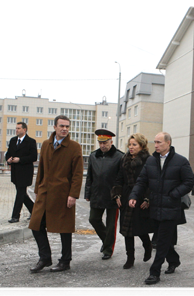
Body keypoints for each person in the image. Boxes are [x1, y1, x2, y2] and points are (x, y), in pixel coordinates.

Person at [129, 132, 194, 285]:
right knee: (163, 240)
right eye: (155, 142)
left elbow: (189, 181)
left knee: (161, 241)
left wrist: (174, 194)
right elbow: (141, 181)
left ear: (168, 143)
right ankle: (174, 260)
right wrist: (133, 196)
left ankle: (154, 272)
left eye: (159, 142)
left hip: (171, 208)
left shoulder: (180, 161)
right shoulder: (151, 161)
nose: (156, 145)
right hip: (155, 207)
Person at [28, 115, 83, 273]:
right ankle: (45, 257)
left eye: (67, 126)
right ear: (55, 127)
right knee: (36, 224)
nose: (64, 129)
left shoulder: (74, 147)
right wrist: (38, 190)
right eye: (61, 126)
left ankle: (65, 261)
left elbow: (78, 174)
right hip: (45, 192)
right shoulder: (46, 144)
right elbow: (41, 170)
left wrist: (73, 194)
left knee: (64, 228)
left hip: (63, 194)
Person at [111, 133, 154, 269]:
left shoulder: (149, 160)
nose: (131, 147)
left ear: (141, 146)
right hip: (126, 197)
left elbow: (151, 182)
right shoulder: (124, 159)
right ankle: (130, 258)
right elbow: (119, 178)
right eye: (130, 144)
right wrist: (117, 195)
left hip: (141, 197)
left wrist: (147, 198)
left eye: (134, 145)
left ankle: (147, 246)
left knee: (140, 228)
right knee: (126, 230)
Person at [85, 129, 124, 260]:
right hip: (97, 193)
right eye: (100, 142)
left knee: (111, 224)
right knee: (93, 219)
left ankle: (108, 249)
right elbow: (89, 176)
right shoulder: (93, 156)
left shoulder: (120, 156)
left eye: (105, 142)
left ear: (111, 142)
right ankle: (106, 240)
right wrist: (87, 193)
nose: (102, 145)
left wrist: (119, 194)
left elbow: (122, 179)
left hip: (113, 196)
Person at [5, 122, 37, 223]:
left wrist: (20, 160)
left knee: (20, 194)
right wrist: (8, 159)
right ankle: (35, 211)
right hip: (15, 172)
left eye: (19, 128)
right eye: (16, 128)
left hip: (25, 172)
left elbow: (33, 157)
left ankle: (15, 216)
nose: (16, 130)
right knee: (22, 194)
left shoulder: (31, 141)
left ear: (24, 130)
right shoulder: (13, 140)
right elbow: (8, 153)